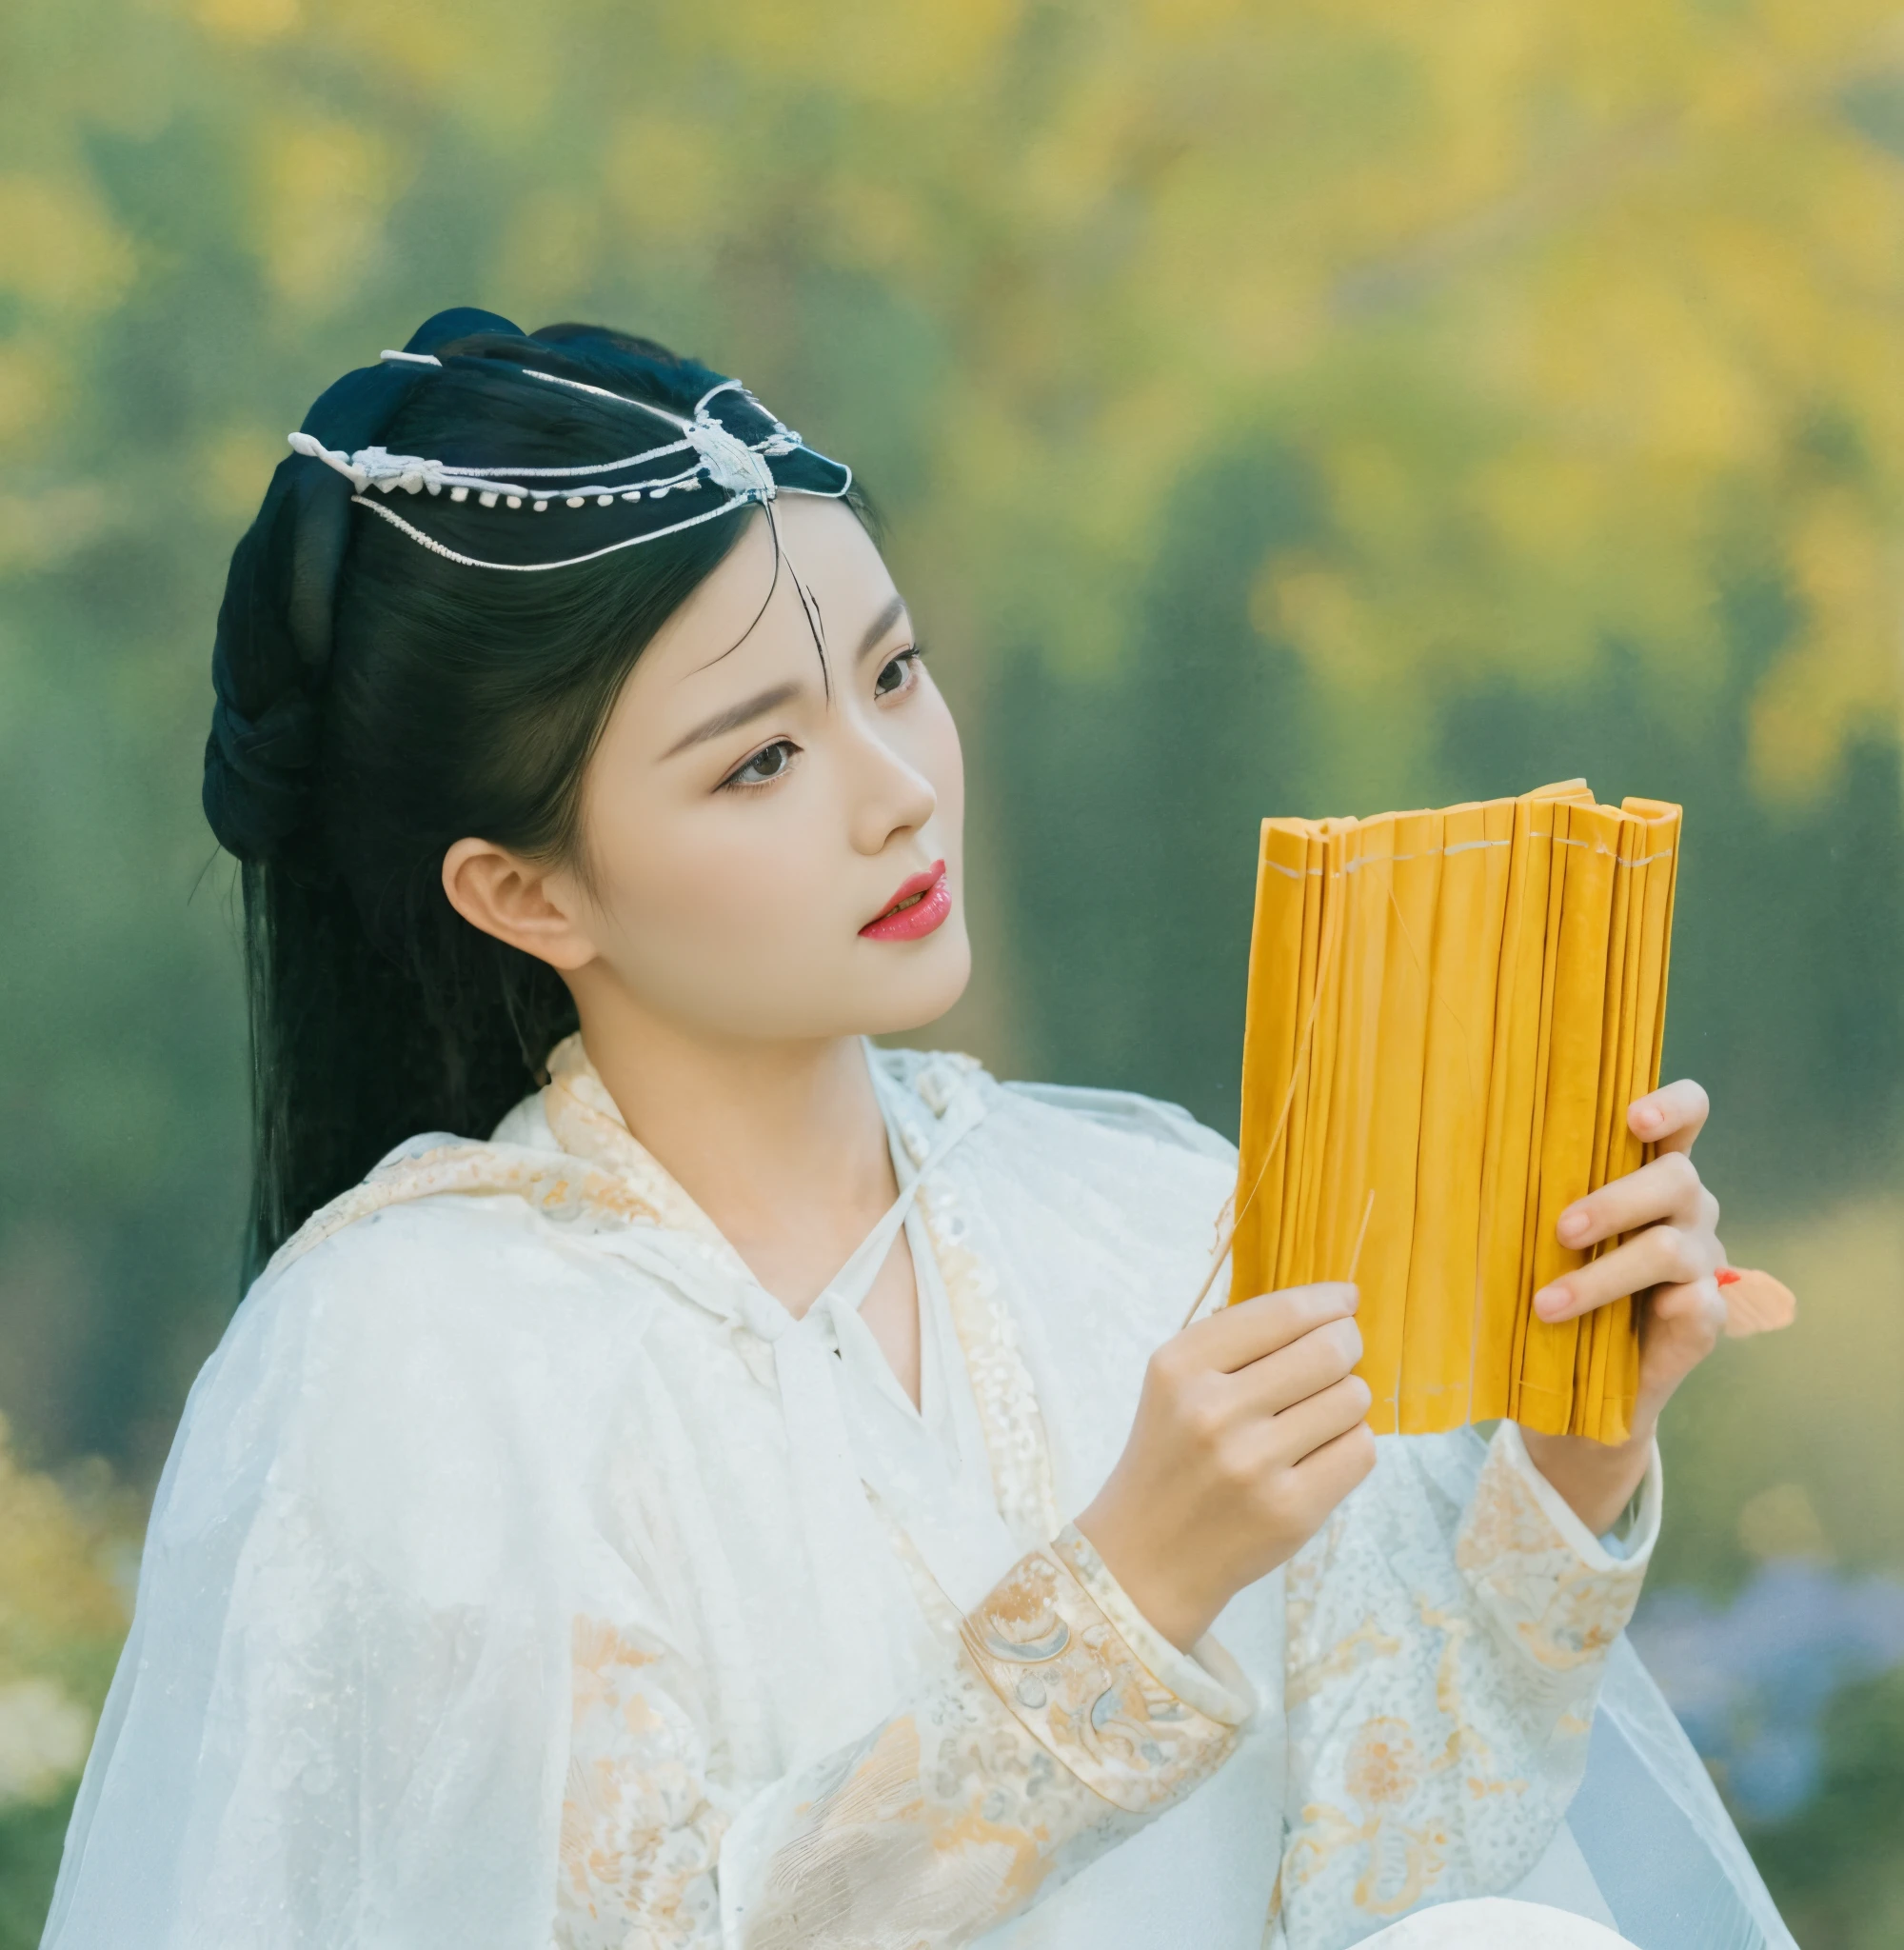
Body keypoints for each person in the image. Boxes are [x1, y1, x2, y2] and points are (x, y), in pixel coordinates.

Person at [42, 310, 1792, 1950]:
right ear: (525, 889)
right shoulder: (423, 1355)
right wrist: (1128, 1590)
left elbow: (1403, 1866)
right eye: (759, 763)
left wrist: (1576, 1453)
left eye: (893, 675)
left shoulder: (1148, 1215)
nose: (896, 790)